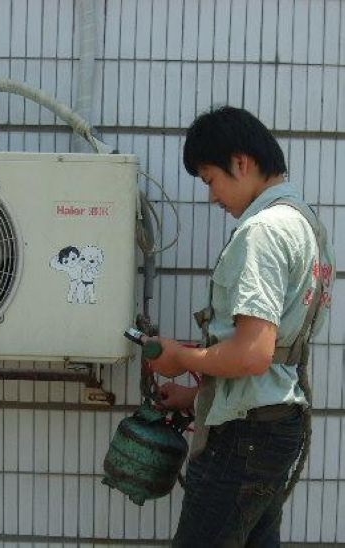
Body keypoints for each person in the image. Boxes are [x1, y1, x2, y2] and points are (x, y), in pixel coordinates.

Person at [143, 106, 335, 547]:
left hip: (245, 437)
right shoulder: (304, 222)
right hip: (274, 423)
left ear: (241, 162)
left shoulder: (263, 231)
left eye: (210, 179)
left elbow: (252, 354)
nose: (213, 196)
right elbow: (274, 355)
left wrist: (180, 357)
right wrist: (198, 398)